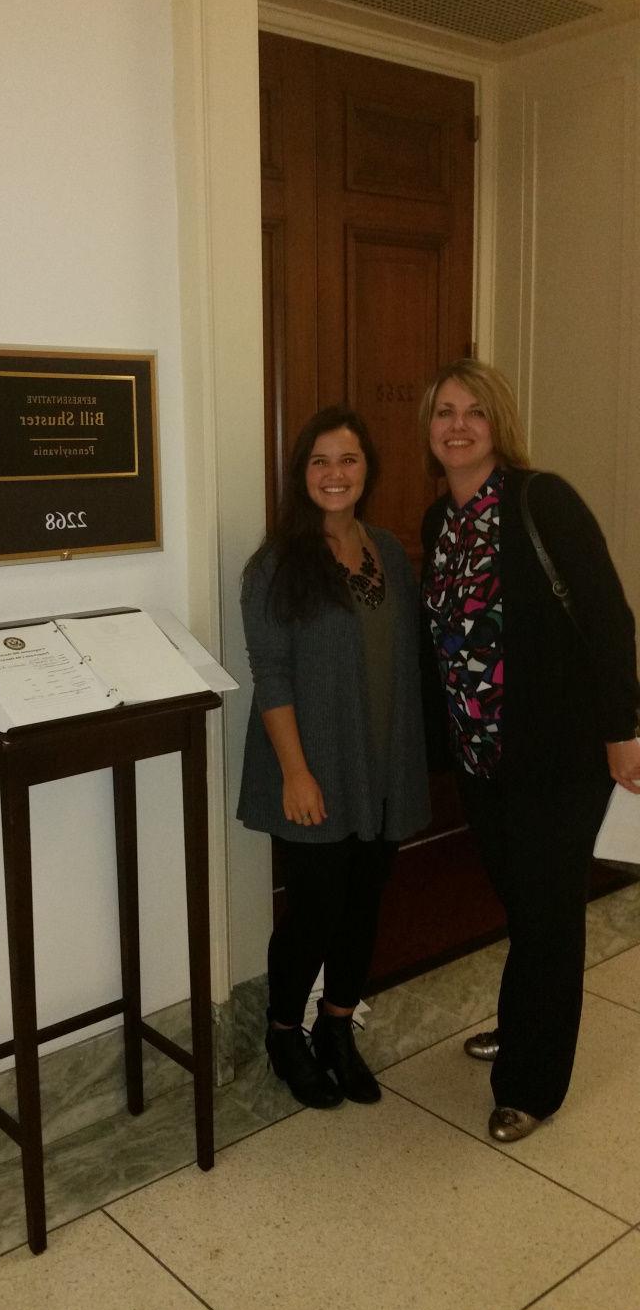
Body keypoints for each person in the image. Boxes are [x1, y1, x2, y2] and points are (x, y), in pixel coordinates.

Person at [419, 359, 640, 1143]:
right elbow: (439, 644)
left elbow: (611, 618)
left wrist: (624, 730)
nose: (458, 424)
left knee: (548, 918)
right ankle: (522, 1027)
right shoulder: (437, 523)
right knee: (524, 906)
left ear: (497, 424)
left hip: (558, 756)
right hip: (483, 761)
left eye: (475, 411)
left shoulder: (542, 499)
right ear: (431, 428)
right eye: (445, 411)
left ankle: (533, 1086)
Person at [238, 406, 430, 1109]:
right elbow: (272, 673)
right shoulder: (277, 564)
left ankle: (337, 1028)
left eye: (347, 460)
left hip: (383, 766)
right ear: (301, 474)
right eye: (320, 461)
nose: (334, 474)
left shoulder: (387, 550)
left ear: (367, 470)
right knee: (315, 910)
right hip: (313, 768)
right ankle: (285, 1031)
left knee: (365, 904)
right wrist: (294, 771)